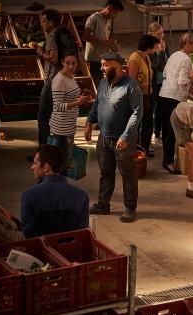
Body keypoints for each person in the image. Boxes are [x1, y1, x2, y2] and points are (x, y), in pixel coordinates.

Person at [85, 52, 143, 223]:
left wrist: (126, 136)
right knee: (106, 172)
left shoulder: (131, 86)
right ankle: (103, 204)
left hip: (123, 139)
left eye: (105, 65)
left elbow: (137, 113)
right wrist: (89, 122)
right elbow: (97, 103)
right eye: (102, 64)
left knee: (128, 174)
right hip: (104, 137)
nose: (102, 68)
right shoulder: (103, 82)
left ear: (117, 66)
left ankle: (130, 208)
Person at [21, 145, 89, 238]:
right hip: (71, 251)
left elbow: (29, 234)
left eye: (35, 163)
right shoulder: (81, 196)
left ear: (46, 167)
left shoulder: (29, 195)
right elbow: (82, 233)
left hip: (42, 251)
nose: (32, 167)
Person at [160, 33, 193, 174]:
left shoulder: (174, 55)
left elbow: (165, 72)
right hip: (174, 97)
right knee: (172, 130)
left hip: (164, 93)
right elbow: (182, 81)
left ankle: (166, 159)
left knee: (165, 129)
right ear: (187, 44)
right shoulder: (187, 60)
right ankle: (169, 162)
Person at [37, 8, 76, 147]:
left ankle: (44, 151)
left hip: (54, 79)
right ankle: (61, 147)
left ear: (51, 22)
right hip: (68, 78)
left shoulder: (52, 35)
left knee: (43, 116)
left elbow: (53, 58)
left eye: (44, 21)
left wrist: (40, 52)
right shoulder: (67, 33)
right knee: (61, 115)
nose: (42, 24)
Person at [50, 50, 90, 168]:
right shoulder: (59, 80)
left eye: (74, 63)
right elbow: (58, 106)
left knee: (66, 161)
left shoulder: (70, 76)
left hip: (69, 125)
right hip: (61, 128)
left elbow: (69, 96)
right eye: (68, 63)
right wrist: (79, 102)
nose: (71, 66)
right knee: (61, 164)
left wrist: (82, 93)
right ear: (62, 62)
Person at [128, 34, 159, 156]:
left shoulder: (146, 57)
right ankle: (135, 151)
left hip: (148, 96)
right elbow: (131, 80)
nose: (156, 48)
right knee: (138, 125)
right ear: (148, 46)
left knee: (148, 125)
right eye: (154, 45)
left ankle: (144, 149)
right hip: (138, 97)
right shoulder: (135, 58)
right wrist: (139, 86)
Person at [83, 0, 123, 87]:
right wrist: (103, 42)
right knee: (94, 83)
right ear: (109, 8)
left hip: (104, 56)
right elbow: (85, 36)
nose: (115, 16)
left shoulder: (110, 20)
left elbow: (108, 36)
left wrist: (112, 44)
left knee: (103, 82)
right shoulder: (93, 18)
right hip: (93, 58)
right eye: (114, 13)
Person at [148, 22, 170, 141]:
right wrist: (161, 52)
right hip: (154, 82)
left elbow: (169, 60)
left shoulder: (163, 44)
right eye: (158, 34)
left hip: (164, 81)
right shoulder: (150, 48)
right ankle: (155, 133)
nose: (161, 36)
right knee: (155, 108)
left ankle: (159, 132)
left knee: (162, 107)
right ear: (151, 34)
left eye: (162, 34)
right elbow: (157, 66)